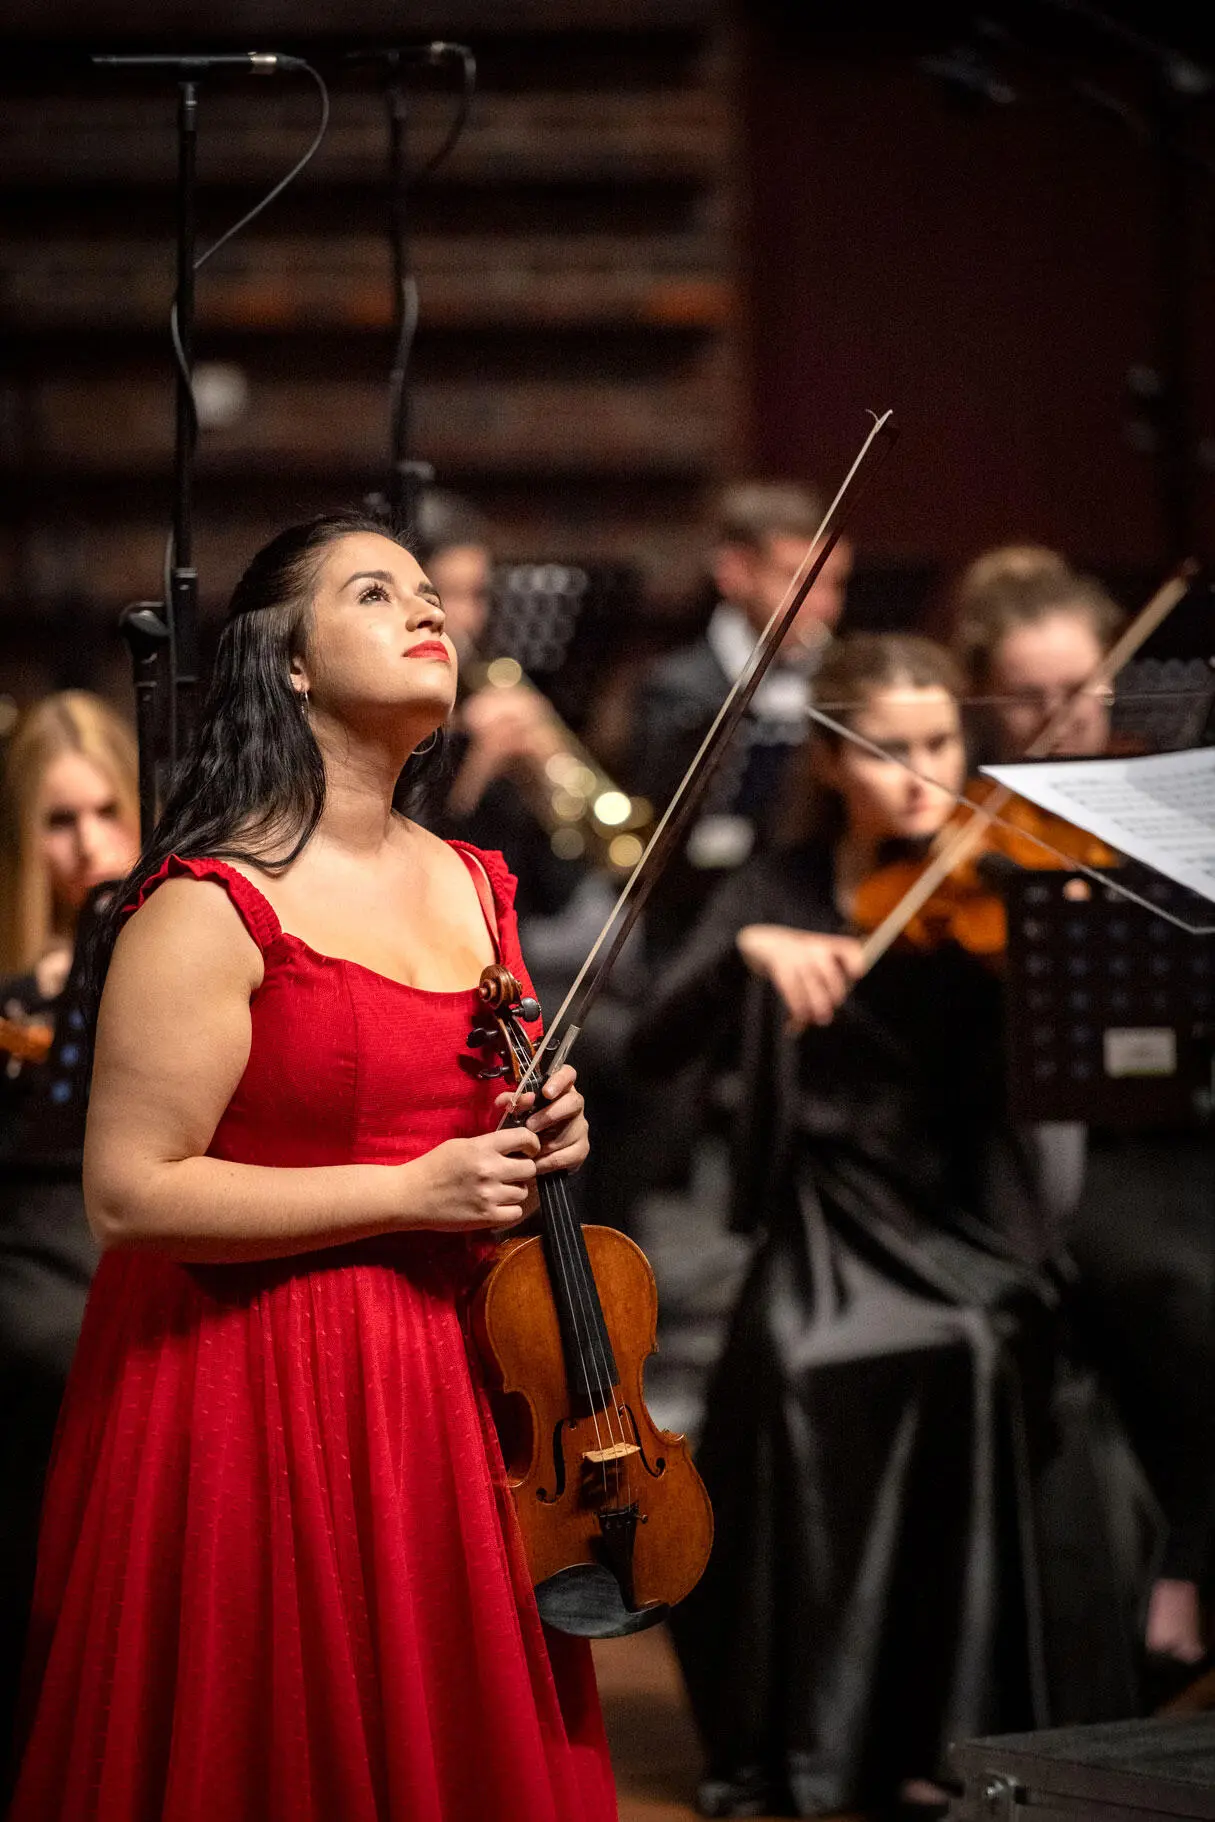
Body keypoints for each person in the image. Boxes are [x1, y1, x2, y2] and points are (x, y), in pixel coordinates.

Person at [6, 513, 616, 1822]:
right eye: (374, 593)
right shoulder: (205, 902)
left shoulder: (476, 881)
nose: (426, 611)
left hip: (452, 1381)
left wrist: (545, 1125)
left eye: (428, 592)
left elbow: (469, 1105)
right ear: (287, 660)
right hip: (256, 1385)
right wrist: (410, 1190)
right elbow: (128, 1193)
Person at [629, 634, 1157, 1821]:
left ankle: (946, 1737)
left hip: (965, 1211)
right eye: (889, 751)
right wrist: (745, 956)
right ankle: (820, 1734)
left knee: (979, 1349)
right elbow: (651, 1049)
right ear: (829, 761)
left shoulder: (1001, 880)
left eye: (941, 743)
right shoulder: (776, 887)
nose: (923, 777)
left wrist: (1051, 949)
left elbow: (1066, 1082)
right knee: (802, 1363)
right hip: (825, 1214)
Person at [948, 546, 1215, 1694]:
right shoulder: (966, 830)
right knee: (1182, 1295)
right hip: (1045, 1158)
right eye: (1032, 698)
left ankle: (1189, 1557)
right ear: (982, 699)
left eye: (1083, 689)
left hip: (1175, 1131)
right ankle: (1181, 1569)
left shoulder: (1165, 805)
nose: (1066, 720)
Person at [0, 691, 141, 1802]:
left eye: (107, 813)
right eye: (58, 821)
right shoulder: (20, 987)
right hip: (35, 1250)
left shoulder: (175, 952)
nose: (89, 844)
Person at [625, 478, 853, 965]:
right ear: (734, 573)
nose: (822, 605)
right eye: (797, 580)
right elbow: (649, 837)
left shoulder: (840, 683)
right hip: (692, 926)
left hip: (812, 915)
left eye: (834, 583)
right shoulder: (675, 688)